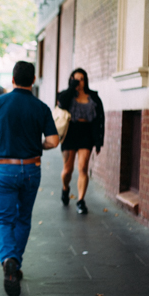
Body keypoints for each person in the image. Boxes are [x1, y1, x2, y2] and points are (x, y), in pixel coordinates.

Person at [0, 61, 59, 296]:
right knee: (23, 218)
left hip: (5, 169)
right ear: (33, 80)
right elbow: (53, 141)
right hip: (32, 168)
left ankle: (8, 259)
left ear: (12, 80)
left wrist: (2, 144)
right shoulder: (41, 107)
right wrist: (37, 146)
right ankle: (16, 263)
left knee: (3, 219)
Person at [56, 68, 105, 215]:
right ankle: (65, 189)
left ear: (86, 80)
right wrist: (72, 88)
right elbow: (61, 103)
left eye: (81, 79)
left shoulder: (93, 97)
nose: (79, 82)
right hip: (70, 134)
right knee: (67, 170)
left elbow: (100, 119)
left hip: (86, 134)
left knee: (83, 167)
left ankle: (81, 201)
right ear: (71, 80)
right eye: (76, 79)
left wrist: (98, 141)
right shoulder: (67, 95)